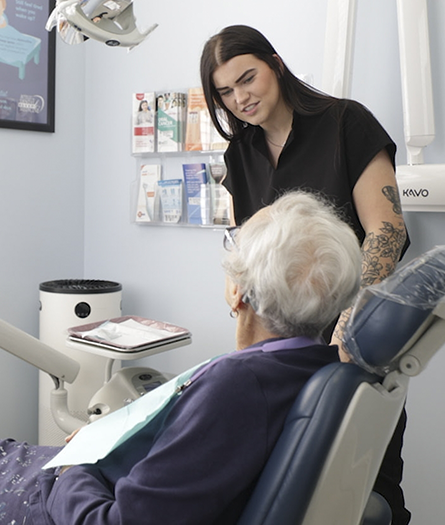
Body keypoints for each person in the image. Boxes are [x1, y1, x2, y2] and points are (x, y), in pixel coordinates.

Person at [0, 191, 362, 525]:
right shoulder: (313, 367)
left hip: (56, 502)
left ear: (239, 293)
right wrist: (106, 439)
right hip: (96, 474)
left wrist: (74, 466)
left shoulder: (239, 386)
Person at [200, 25, 411, 524]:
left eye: (247, 79)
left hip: (354, 336)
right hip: (279, 343)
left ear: (275, 63)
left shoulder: (344, 124)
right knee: (272, 479)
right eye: (225, 92)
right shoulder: (242, 153)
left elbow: (387, 229)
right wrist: (236, 275)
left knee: (361, 486)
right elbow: (248, 239)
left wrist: (349, 324)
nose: (240, 98)